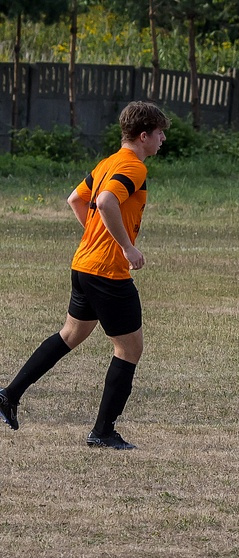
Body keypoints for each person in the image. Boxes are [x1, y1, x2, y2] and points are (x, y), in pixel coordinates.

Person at [0, 101, 170, 450]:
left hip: (84, 265)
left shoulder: (108, 162)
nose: (163, 139)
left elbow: (76, 199)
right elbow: (105, 202)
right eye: (159, 133)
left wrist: (98, 237)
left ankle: (8, 395)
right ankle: (103, 432)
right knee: (129, 348)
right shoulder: (133, 166)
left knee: (71, 334)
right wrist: (125, 247)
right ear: (143, 136)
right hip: (107, 273)